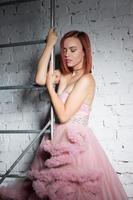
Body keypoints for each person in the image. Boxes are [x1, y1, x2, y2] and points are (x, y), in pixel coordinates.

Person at [0, 28, 128, 200]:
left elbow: (64, 116)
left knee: (70, 192)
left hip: (74, 145)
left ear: (85, 51)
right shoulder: (67, 76)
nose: (67, 54)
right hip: (54, 138)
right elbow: (39, 79)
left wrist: (51, 90)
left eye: (73, 50)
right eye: (65, 50)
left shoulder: (86, 79)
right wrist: (49, 45)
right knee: (49, 191)